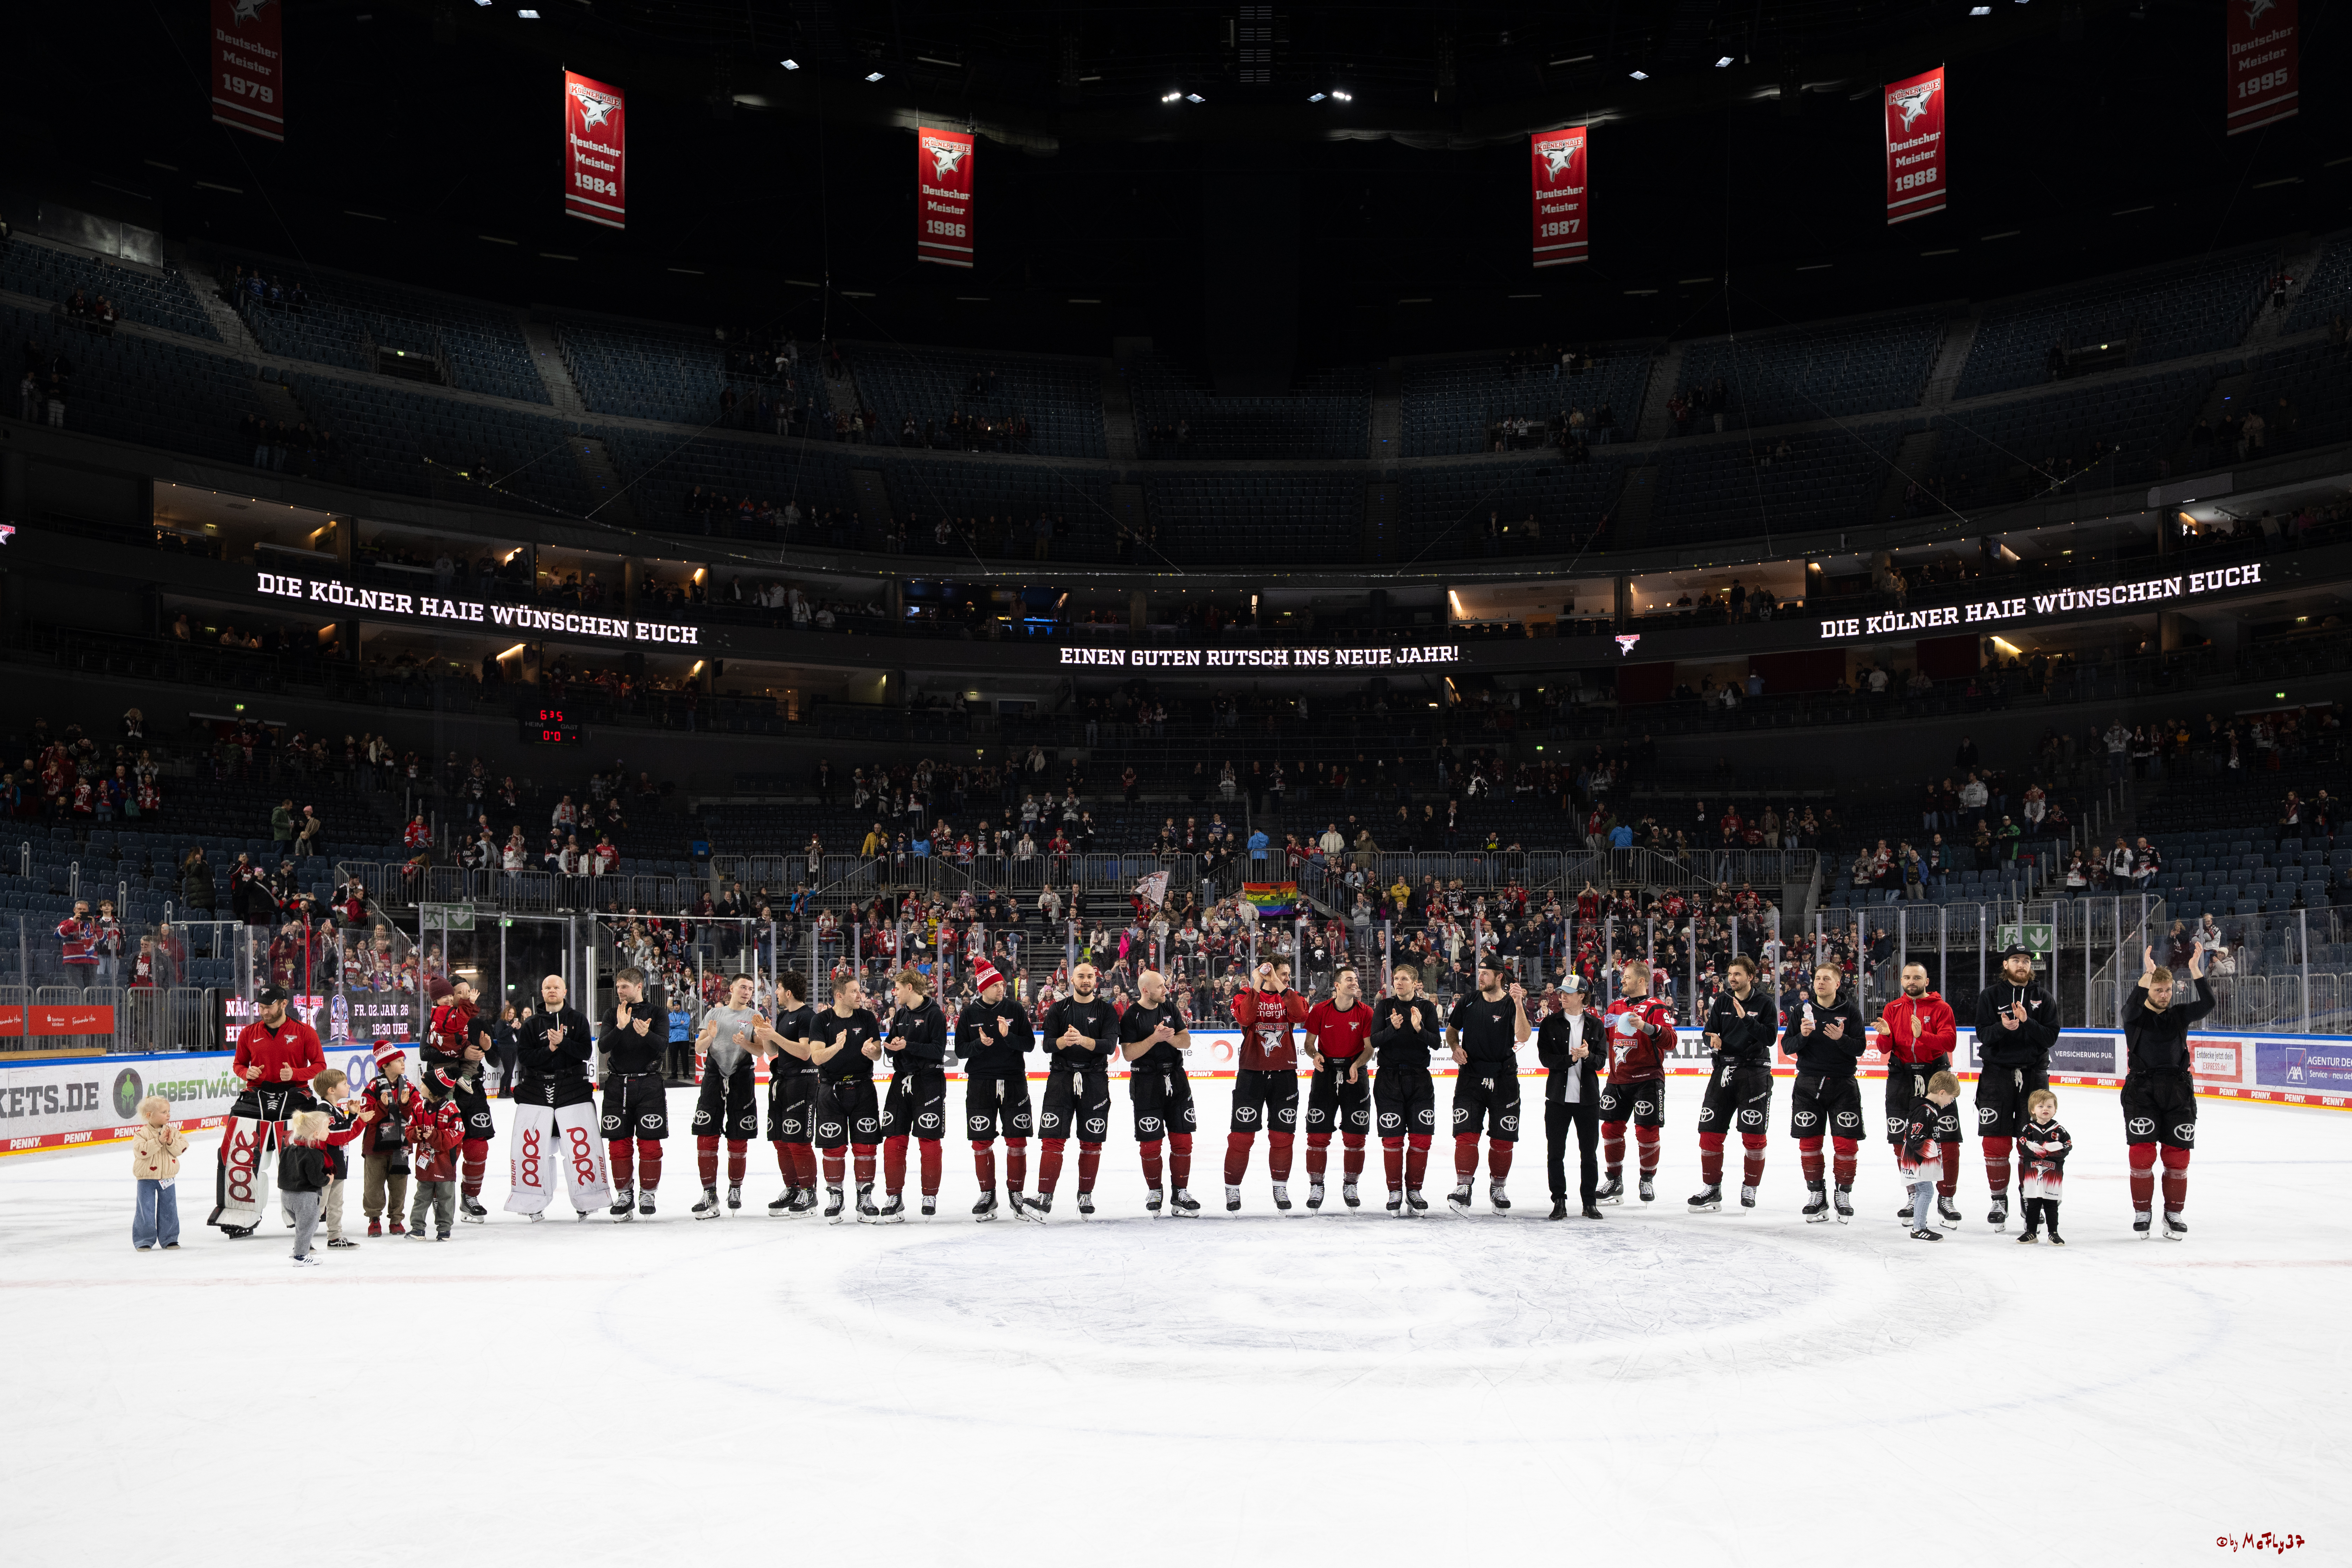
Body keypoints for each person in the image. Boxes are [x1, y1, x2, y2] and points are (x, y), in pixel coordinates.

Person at [208, 986, 326, 1238]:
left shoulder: (304, 1032)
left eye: (269, 1006)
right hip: (256, 1094)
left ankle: (302, 1211)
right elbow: (239, 1063)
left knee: (300, 1153)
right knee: (237, 1150)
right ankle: (239, 1210)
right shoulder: (249, 1033)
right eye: (261, 1007)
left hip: (295, 1093)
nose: (264, 1011)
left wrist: (295, 1074)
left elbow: (319, 1065)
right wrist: (245, 1073)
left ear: (283, 1004)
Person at [2122, 944, 2212, 1239]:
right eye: (2159, 990)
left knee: (2178, 1156)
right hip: (2141, 1091)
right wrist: (2146, 975)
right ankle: (2142, 1211)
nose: (2165, 995)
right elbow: (2129, 1007)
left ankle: (2173, 1213)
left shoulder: (2178, 1015)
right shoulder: (2135, 1018)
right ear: (2150, 989)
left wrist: (2196, 968)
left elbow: (2209, 1002)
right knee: (2142, 1153)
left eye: (2168, 990)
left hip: (2177, 1091)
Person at [506, 974, 612, 1221]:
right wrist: (550, 1049)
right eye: (547, 987)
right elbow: (525, 1058)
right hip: (536, 1091)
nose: (552, 990)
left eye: (556, 987)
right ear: (542, 992)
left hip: (573, 1089)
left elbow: (586, 1052)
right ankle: (531, 1200)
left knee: (578, 1147)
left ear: (565, 991)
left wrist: (563, 1043)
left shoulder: (577, 1020)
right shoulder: (531, 1024)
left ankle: (588, 1199)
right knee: (535, 1150)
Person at [1973, 943, 2058, 1231]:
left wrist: (2026, 1022)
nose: (2022, 965)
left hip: (2034, 1076)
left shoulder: (2043, 997)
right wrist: (2003, 1028)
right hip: (1996, 1076)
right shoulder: (1990, 996)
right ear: (2006, 964)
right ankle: (1999, 1200)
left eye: (2026, 961)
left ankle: (2028, 1197)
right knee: (1995, 1142)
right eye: (2016, 960)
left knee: (2033, 1143)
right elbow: (1983, 1034)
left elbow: (2050, 1037)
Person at [1031, 961, 1119, 1218]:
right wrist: (1063, 1041)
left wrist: (1082, 1040)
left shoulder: (1106, 1010)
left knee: (1091, 1140)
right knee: (1052, 1138)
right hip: (1061, 1077)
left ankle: (1085, 1194)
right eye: (1080, 976)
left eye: (1090, 976)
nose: (1085, 980)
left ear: (1096, 980)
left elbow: (1110, 1046)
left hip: (1095, 1080)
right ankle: (1045, 1196)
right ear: (1071, 979)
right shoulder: (1058, 1009)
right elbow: (1047, 1045)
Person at [1877, 962, 1962, 1227]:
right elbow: (1883, 1049)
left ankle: (1946, 1197)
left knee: (1947, 1140)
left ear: (1927, 980)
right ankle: (1913, 1194)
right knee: (1902, 1140)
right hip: (1901, 1078)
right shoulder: (1892, 1009)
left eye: (1916, 977)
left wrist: (1922, 1035)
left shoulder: (1941, 1008)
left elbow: (1949, 1043)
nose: (1911, 981)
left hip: (1935, 1078)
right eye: (1906, 977)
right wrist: (1885, 1036)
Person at [1690, 954, 1776, 1213]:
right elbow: (1709, 1032)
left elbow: (1770, 1038)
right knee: (1709, 1133)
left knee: (1753, 1135)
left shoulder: (1764, 1003)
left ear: (1751, 977)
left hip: (1754, 1073)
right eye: (1730, 974)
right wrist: (1711, 1040)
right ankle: (1712, 1188)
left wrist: (1747, 1020)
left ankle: (1750, 1186)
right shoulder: (1722, 1001)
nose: (1732, 979)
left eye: (1738, 974)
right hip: (1723, 1071)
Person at [690, 974, 781, 1219]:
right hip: (713, 1077)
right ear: (731, 988)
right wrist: (710, 1036)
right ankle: (709, 1192)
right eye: (743, 987)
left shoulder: (755, 1016)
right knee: (706, 1135)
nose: (747, 992)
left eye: (751, 989)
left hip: (741, 1078)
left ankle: (735, 1189)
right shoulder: (713, 1015)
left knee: (738, 1137)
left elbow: (761, 1052)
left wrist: (745, 1043)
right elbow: (699, 1048)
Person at [1445, 956, 1530, 1214]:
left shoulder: (1510, 1003)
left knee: (1503, 1139)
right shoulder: (1468, 1000)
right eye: (1479, 973)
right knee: (1466, 1134)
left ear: (1499, 976)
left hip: (1504, 1079)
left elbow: (1523, 1036)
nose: (1479, 977)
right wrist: (1455, 1046)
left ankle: (1498, 1187)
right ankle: (1463, 1187)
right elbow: (1451, 1030)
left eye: (1485, 973)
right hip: (1470, 1077)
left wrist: (1518, 1003)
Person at [1786, 962, 1867, 1222]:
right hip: (1807, 1084)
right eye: (1817, 978)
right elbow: (1787, 1046)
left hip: (1843, 1084)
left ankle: (1843, 1194)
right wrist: (1802, 1036)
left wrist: (1840, 1039)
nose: (1820, 982)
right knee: (1809, 1143)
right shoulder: (1801, 1010)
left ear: (1837, 983)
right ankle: (1816, 1195)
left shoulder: (1850, 1011)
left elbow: (1859, 1048)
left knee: (1846, 1144)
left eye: (1826, 979)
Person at [1226, 960, 1310, 1210]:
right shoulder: (1245, 994)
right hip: (1251, 1071)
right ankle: (1232, 1190)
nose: (1284, 977)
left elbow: (1300, 1015)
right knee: (1241, 1137)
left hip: (1284, 1072)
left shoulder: (1291, 996)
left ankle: (1280, 1188)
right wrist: (1258, 983)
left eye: (1286, 974)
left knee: (1282, 1135)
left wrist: (1277, 983)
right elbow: (1246, 1017)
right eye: (1280, 973)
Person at [955, 959, 1035, 1221]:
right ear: (983, 987)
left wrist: (1007, 1036)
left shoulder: (1014, 1008)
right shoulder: (968, 1014)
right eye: (996, 985)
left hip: (1013, 1081)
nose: (1001, 988)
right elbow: (959, 1051)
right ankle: (988, 1193)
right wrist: (979, 1043)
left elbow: (1030, 1045)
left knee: (1017, 1140)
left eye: (1002, 984)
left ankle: (1016, 1192)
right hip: (980, 1083)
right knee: (981, 1141)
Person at [1120, 968, 1200, 1216]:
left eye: (1165, 986)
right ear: (1145, 990)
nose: (1166, 990)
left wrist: (1168, 1038)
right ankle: (1155, 1190)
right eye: (1160, 987)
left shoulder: (1170, 1009)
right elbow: (1128, 1054)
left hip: (1176, 1079)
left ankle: (1180, 1193)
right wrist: (1154, 1038)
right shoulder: (1131, 1016)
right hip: (1145, 1082)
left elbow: (1185, 1041)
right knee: (1150, 1144)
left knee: (1183, 1140)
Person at [806, 975, 886, 1221]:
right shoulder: (821, 1020)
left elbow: (877, 1052)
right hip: (830, 1091)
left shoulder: (866, 1017)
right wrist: (837, 1047)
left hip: (863, 1089)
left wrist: (874, 1051)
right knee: (833, 1146)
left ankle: (865, 1198)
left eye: (859, 990)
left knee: (866, 1145)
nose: (859, 995)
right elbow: (817, 1058)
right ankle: (835, 1196)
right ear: (839, 995)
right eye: (853, 991)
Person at [1598, 961, 1676, 1203]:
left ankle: (1646, 1179)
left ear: (1642, 981)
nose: (1623, 980)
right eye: (1623, 976)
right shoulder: (1614, 1007)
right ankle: (1614, 1179)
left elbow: (1671, 1041)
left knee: (1646, 1131)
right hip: (1617, 1079)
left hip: (1648, 1080)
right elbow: (1603, 1037)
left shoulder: (1656, 1007)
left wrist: (1646, 1027)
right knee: (1610, 1129)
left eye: (1628, 977)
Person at [598, 966, 670, 1220]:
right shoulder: (611, 1013)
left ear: (639, 987)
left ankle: (647, 1193)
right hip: (617, 1085)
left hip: (649, 1084)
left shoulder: (657, 1012)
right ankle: (624, 1194)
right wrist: (619, 1027)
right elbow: (603, 1046)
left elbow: (663, 1045)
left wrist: (645, 1034)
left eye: (625, 987)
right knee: (618, 1144)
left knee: (650, 1144)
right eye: (618, 987)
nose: (620, 991)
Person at [1370, 964, 1443, 1215]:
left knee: (1422, 1138)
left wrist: (1419, 1028)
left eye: (1403, 979)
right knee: (1392, 1139)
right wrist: (1394, 1028)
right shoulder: (1383, 1006)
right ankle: (1394, 1191)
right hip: (1388, 1079)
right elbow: (1375, 1040)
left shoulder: (1426, 1007)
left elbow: (1436, 1043)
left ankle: (1414, 1190)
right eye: (1396, 978)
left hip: (1420, 1079)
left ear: (1415, 983)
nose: (1398, 982)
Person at [878, 967, 950, 1221]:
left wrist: (908, 1045)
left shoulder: (935, 1014)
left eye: (896, 987)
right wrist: (889, 1047)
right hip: (900, 1082)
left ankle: (929, 1194)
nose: (893, 992)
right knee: (894, 1139)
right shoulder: (900, 1014)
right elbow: (890, 1047)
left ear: (910, 987)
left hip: (929, 1082)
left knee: (928, 1141)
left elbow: (938, 1050)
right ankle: (894, 1196)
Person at [1302, 967, 1375, 1210]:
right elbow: (1309, 1044)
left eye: (1356, 979)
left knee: (1355, 1135)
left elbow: (1369, 1048)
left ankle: (1350, 1184)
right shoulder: (1320, 1010)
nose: (1354, 983)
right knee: (1317, 1134)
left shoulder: (1366, 1012)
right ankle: (1316, 1184)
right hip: (1325, 1072)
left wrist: (1357, 1064)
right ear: (1336, 985)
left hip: (1355, 1071)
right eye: (1349, 979)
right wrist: (1315, 1056)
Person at [422, 979, 494, 1223]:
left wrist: (487, 1046)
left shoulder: (476, 1020)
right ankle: (441, 1197)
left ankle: (470, 1197)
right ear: (449, 997)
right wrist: (462, 1053)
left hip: (473, 1089)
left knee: (478, 1146)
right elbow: (425, 1053)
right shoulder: (439, 1016)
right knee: (447, 1146)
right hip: (445, 1088)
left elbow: (494, 1059)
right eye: (459, 993)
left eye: (468, 993)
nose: (464, 996)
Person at [1535, 975, 1605, 1220]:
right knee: (1555, 1152)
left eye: (1568, 992)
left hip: (1587, 1100)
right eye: (1561, 992)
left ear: (1582, 996)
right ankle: (1559, 1200)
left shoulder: (1596, 1026)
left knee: (1589, 1154)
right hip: (1557, 1099)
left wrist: (1587, 1056)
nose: (1561, 996)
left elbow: (1601, 1061)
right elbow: (1545, 1059)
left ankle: (1589, 1202)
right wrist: (1570, 1060)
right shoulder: (1549, 1024)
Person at [757, 972, 823, 1216]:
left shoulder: (808, 1016)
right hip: (781, 1081)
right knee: (780, 1140)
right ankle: (793, 1187)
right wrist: (765, 1033)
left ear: (788, 992)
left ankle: (809, 1191)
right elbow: (773, 1050)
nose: (775, 993)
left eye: (778, 988)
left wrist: (774, 1035)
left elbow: (805, 1052)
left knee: (797, 1140)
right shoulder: (784, 1016)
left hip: (802, 1082)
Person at [359, 1043, 420, 1236]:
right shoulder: (373, 1087)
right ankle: (374, 1219)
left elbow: (418, 1113)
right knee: (373, 1186)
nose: (403, 1064)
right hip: (375, 1147)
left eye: (403, 1060)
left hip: (400, 1146)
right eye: (398, 1061)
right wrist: (381, 1106)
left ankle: (396, 1220)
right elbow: (365, 1115)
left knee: (399, 1184)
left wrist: (405, 1104)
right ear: (385, 1065)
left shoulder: (409, 1087)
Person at [1897, 1072, 1961, 1241]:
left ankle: (1919, 1227)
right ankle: (1919, 1229)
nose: (1950, 1102)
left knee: (1923, 1192)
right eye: (1951, 1098)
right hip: (1917, 1161)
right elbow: (1915, 1138)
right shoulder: (1925, 1111)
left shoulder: (1928, 1109)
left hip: (1916, 1160)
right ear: (1942, 1093)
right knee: (1926, 1192)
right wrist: (1932, 1153)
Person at [406, 1075, 467, 1241]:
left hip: (445, 1164)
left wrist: (435, 1135)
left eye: (424, 1084)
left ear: (434, 1090)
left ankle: (444, 1228)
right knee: (421, 1196)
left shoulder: (451, 1111)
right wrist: (415, 1133)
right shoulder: (418, 1108)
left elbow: (457, 1134)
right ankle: (417, 1228)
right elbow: (409, 1127)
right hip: (424, 1164)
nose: (420, 1085)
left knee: (446, 1197)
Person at [130, 1094, 189, 1251]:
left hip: (168, 1178)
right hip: (146, 1178)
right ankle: (144, 1240)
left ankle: (170, 1238)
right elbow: (141, 1151)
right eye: (164, 1112)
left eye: (169, 1111)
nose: (168, 1115)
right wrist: (159, 1141)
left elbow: (182, 1148)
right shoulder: (141, 1134)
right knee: (146, 1209)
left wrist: (170, 1141)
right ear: (150, 1115)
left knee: (169, 1208)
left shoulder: (173, 1132)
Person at [2016, 1088, 2073, 1245]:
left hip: (2053, 1175)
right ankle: (2031, 1233)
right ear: (2033, 1110)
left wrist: (2049, 1150)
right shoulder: (2027, 1129)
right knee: (2033, 1204)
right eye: (2041, 1106)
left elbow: (2068, 1145)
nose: (2045, 1109)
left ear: (2055, 1110)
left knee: (2051, 1204)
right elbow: (2024, 1147)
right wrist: (2046, 1147)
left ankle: (2053, 1233)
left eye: (2049, 1106)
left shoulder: (2059, 1129)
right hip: (2032, 1174)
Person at [278, 1110, 331, 1266]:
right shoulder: (315, 1155)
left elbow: (283, 1171)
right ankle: (301, 1256)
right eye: (327, 1128)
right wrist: (328, 1179)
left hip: (287, 1196)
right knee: (308, 1226)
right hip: (304, 1198)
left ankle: (299, 1250)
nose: (329, 1131)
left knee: (305, 1226)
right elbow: (317, 1179)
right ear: (316, 1134)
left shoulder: (289, 1149)